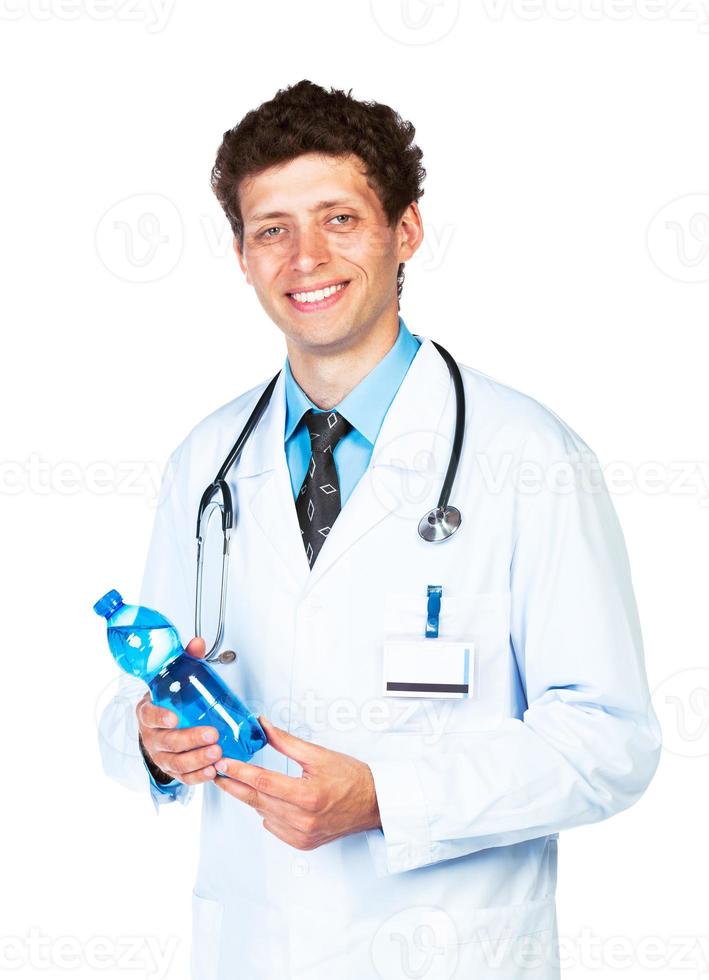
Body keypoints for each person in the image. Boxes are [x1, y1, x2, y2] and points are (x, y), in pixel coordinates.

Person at [98, 79, 661, 980]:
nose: (304, 258)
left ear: (405, 232)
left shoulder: (529, 455)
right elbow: (135, 697)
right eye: (271, 228)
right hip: (254, 946)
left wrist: (383, 798)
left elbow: (609, 741)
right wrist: (149, 745)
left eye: (339, 219)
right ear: (241, 255)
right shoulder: (203, 463)